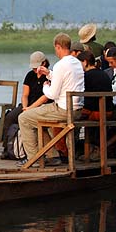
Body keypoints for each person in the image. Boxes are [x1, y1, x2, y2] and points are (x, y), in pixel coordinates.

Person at [19, 33, 85, 166]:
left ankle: (33, 159)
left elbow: (52, 95)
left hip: (62, 109)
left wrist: (45, 87)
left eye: (55, 49)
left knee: (24, 118)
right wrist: (48, 74)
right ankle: (52, 155)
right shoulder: (76, 63)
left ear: (58, 46)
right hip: (77, 109)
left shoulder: (60, 65)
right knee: (37, 119)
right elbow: (65, 79)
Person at [0, 51, 51, 160]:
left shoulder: (49, 76)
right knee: (10, 117)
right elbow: (25, 94)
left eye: (37, 67)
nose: (35, 69)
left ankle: (30, 150)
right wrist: (25, 107)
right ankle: (7, 148)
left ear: (44, 63)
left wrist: (30, 109)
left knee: (28, 118)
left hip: (41, 106)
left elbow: (45, 97)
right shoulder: (30, 75)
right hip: (27, 104)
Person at [77, 50, 114, 161]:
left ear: (85, 62)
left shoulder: (86, 76)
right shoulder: (103, 74)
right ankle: (91, 150)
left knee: (74, 118)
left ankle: (81, 150)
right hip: (108, 110)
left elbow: (89, 100)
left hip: (96, 112)